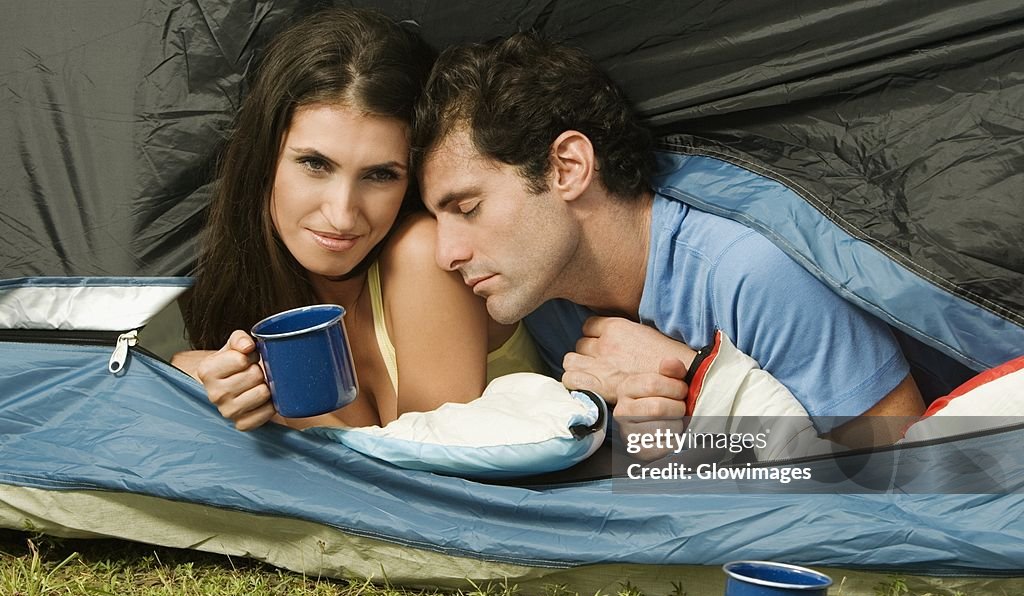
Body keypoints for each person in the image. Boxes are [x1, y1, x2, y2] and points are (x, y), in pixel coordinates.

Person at [412, 32, 925, 448]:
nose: (446, 253)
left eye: (468, 208)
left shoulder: (750, 272)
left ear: (567, 168)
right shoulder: (546, 301)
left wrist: (699, 383)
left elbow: (915, 468)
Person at [173, 9, 545, 431]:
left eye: (380, 175)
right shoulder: (244, 276)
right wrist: (201, 371)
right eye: (314, 164)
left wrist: (215, 383)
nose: (342, 214)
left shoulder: (422, 256)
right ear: (265, 158)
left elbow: (427, 483)